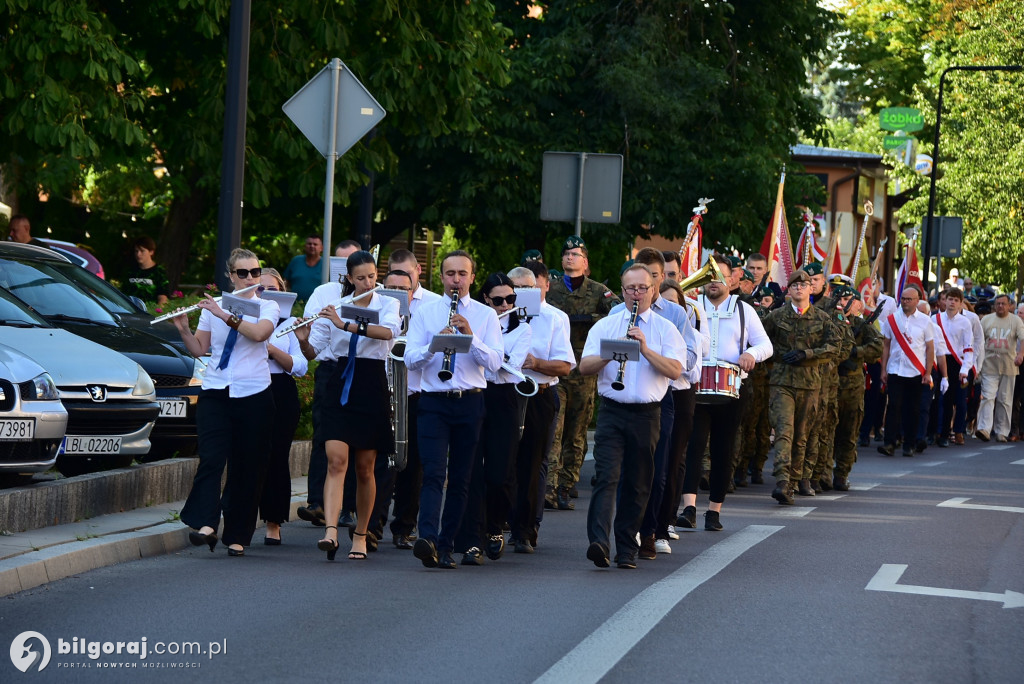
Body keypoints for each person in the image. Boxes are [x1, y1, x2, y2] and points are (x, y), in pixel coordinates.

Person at [172, 248, 279, 556]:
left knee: (248, 467)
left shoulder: (267, 306)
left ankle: (238, 535)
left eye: (255, 272)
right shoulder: (212, 307)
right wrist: (182, 328)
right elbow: (200, 348)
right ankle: (206, 524)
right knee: (211, 459)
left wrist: (226, 316)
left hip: (255, 393)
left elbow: (259, 335)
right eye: (242, 273)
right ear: (231, 276)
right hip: (217, 391)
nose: (250, 278)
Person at [294, 250, 400, 561]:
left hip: (370, 381)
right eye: (361, 278)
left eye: (372, 276)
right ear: (349, 279)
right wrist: (303, 339)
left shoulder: (388, 304)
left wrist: (346, 325)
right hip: (340, 380)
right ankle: (330, 531)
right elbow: (315, 352)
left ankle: (361, 534)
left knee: (366, 468)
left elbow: (389, 332)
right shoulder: (337, 306)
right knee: (336, 461)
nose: (368, 282)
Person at [579, 264, 685, 569]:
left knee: (639, 484)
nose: (635, 294)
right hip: (612, 411)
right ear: (622, 291)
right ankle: (599, 542)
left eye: (642, 288)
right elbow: (584, 367)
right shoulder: (606, 326)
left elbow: (676, 371)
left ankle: (626, 547)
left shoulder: (666, 329)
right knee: (607, 477)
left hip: (647, 414)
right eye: (629, 289)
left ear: (652, 290)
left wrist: (645, 349)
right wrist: (610, 355)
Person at [404, 250, 503, 570]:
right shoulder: (427, 313)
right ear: (441, 277)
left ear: (472, 278)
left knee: (461, 478)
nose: (456, 279)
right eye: (450, 274)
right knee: (433, 473)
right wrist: (435, 344)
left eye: (462, 274)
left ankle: (447, 546)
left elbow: (495, 364)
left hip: (470, 401)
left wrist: (470, 337)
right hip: (433, 401)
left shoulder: (486, 316)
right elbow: (409, 359)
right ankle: (428, 539)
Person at [610, 248, 698, 559]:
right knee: (627, 471)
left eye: (652, 279)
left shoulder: (675, 313)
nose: (642, 288)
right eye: (636, 282)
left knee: (658, 471)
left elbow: (688, 359)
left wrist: (657, 352)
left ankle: (652, 529)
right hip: (625, 398)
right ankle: (629, 531)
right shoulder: (616, 312)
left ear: (657, 281)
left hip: (663, 396)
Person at [680, 256, 771, 528]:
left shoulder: (744, 310)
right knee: (693, 446)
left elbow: (766, 345)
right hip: (697, 387)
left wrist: (750, 354)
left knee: (724, 449)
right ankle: (689, 509)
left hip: (732, 390)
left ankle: (714, 511)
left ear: (733, 280)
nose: (713, 282)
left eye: (720, 276)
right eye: (709, 276)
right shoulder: (692, 308)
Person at [455, 273, 532, 565]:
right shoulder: (478, 322)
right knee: (471, 471)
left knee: (500, 473)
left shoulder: (522, 328)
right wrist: (488, 351)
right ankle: (471, 538)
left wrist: (486, 352)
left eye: (510, 299)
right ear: (486, 299)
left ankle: (496, 526)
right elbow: (479, 361)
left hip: (503, 399)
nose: (504, 305)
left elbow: (509, 365)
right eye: (498, 300)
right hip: (475, 394)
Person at [546, 236, 620, 509]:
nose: (569, 257)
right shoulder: (550, 289)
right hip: (555, 368)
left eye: (575, 254)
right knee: (554, 429)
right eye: (566, 253)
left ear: (585, 261)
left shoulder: (599, 291)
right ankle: (550, 486)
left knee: (576, 432)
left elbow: (618, 312)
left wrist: (589, 320)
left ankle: (567, 485)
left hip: (584, 369)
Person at [294, 239, 362, 528]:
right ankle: (316, 502)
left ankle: (348, 508)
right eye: (342, 264)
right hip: (330, 369)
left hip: (361, 370)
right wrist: (306, 338)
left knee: (356, 442)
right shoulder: (324, 292)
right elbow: (315, 337)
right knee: (323, 436)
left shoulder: (370, 294)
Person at [507, 264, 574, 553]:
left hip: (540, 392)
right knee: (502, 460)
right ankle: (498, 523)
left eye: (527, 288)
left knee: (533, 464)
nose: (522, 293)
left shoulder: (555, 318)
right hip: (506, 392)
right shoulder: (497, 315)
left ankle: (526, 528)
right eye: (516, 288)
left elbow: (566, 366)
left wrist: (536, 363)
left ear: (538, 288)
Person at [762, 269, 840, 505]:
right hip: (782, 382)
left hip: (810, 384)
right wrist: (774, 357)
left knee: (801, 436)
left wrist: (807, 354)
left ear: (810, 289)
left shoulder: (822, 319)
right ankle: (783, 481)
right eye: (794, 285)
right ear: (788, 289)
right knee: (784, 432)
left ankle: (794, 482)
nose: (799, 289)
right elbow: (760, 342)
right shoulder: (776, 317)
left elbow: (834, 347)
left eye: (804, 285)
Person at [383, 249, 442, 548]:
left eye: (402, 288)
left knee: (413, 464)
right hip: (384, 390)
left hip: (417, 392)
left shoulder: (432, 304)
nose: (397, 293)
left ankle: (404, 526)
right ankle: (372, 525)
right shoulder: (377, 303)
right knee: (381, 461)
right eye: (391, 288)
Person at [258, 269, 308, 544]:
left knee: (277, 457)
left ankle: (273, 522)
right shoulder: (243, 320)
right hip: (251, 389)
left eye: (273, 289)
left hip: (281, 391)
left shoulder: (287, 324)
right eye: (261, 289)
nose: (266, 294)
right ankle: (239, 521)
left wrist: (273, 350)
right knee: (250, 457)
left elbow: (300, 366)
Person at [833, 289, 882, 490]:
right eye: (840, 299)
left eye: (848, 300)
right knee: (826, 432)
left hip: (852, 387)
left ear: (858, 305)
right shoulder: (830, 322)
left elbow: (878, 348)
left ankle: (842, 473)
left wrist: (856, 351)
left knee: (848, 432)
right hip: (830, 385)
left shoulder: (863, 326)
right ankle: (823, 473)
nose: (843, 303)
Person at [878, 286, 935, 457]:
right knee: (893, 406)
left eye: (909, 299)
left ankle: (909, 444)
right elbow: (886, 345)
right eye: (903, 298)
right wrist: (883, 368)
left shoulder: (925, 321)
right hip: (895, 370)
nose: (905, 302)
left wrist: (928, 373)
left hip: (915, 372)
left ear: (917, 301)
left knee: (913, 409)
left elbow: (930, 349)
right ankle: (889, 443)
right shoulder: (892, 319)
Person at [976, 294, 1024, 442]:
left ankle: (1002, 431)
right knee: (988, 397)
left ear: (1010, 306)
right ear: (994, 306)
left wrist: (1021, 354)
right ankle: (984, 428)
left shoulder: (1015, 321)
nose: (1000, 306)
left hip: (1009, 366)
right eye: (998, 304)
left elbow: (1023, 338)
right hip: (989, 365)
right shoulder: (986, 320)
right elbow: (978, 341)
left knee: (1005, 400)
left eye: (1003, 304)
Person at [123, 236, 170, 306]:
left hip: (150, 312)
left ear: (151, 252)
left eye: (142, 251)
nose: (138, 254)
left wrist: (157, 313)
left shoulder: (159, 272)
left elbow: (163, 297)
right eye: (136, 251)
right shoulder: (130, 271)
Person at [282, 235, 324, 302]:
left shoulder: (326, 265)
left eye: (315, 244)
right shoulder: (296, 261)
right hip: (295, 306)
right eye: (309, 244)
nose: (312, 246)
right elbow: (285, 282)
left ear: (321, 248)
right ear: (305, 246)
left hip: (318, 306)